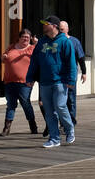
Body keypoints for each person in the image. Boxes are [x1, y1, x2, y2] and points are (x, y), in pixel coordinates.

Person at [26, 15, 77, 148]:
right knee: (49, 111)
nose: (43, 26)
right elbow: (34, 62)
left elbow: (71, 62)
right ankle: (54, 139)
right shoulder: (41, 42)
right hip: (45, 82)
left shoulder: (65, 42)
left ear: (54, 26)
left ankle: (69, 128)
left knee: (60, 106)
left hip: (60, 81)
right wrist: (30, 77)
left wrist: (71, 80)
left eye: (46, 23)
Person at [0, 28, 39, 136]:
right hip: (9, 81)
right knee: (10, 104)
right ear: (19, 38)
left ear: (30, 38)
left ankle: (32, 125)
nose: (25, 39)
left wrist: (37, 43)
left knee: (25, 103)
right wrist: (3, 57)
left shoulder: (33, 48)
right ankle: (6, 128)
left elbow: (41, 59)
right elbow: (3, 59)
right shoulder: (11, 47)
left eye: (27, 37)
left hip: (25, 82)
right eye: (23, 37)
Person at [59, 20, 87, 127]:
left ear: (67, 29)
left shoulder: (74, 41)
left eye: (62, 29)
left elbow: (81, 58)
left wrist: (84, 72)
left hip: (70, 74)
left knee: (70, 98)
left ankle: (71, 121)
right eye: (59, 29)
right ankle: (63, 123)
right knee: (60, 99)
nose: (61, 32)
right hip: (59, 74)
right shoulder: (56, 41)